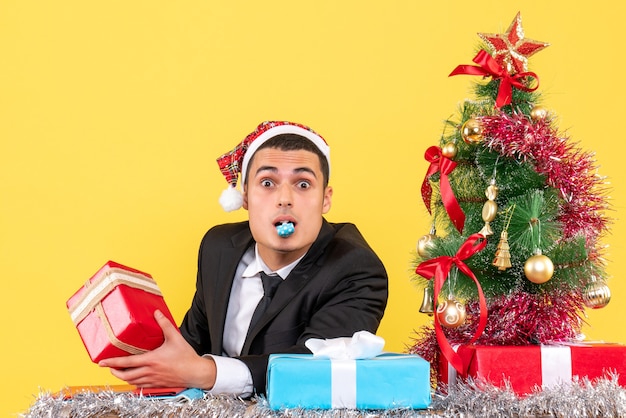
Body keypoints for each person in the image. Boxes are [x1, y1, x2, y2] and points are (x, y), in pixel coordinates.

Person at [99, 121, 389, 397]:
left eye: (303, 184)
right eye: (267, 182)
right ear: (245, 197)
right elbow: (192, 344)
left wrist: (205, 372)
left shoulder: (356, 268)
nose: (284, 198)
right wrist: (147, 353)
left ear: (325, 199)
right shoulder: (219, 248)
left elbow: (315, 369)